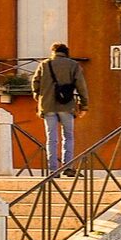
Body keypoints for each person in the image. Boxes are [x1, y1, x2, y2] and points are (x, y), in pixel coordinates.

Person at [32, 43, 88, 175]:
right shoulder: (73, 65)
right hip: (67, 106)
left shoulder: (44, 64)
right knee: (68, 136)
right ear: (66, 52)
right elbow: (81, 86)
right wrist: (84, 105)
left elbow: (35, 83)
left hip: (47, 106)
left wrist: (38, 97)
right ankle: (67, 167)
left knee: (51, 138)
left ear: (53, 52)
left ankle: (53, 170)